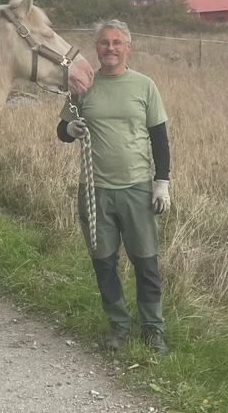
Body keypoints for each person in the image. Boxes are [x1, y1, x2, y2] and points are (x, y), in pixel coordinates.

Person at [57, 20, 171, 353]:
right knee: (104, 261)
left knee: (146, 261)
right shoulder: (83, 86)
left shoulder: (144, 86)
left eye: (117, 42)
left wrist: (161, 182)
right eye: (104, 43)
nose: (110, 48)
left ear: (128, 47)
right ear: (97, 47)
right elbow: (62, 131)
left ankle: (152, 328)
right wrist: (71, 129)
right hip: (94, 190)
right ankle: (118, 325)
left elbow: (159, 139)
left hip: (136, 188)